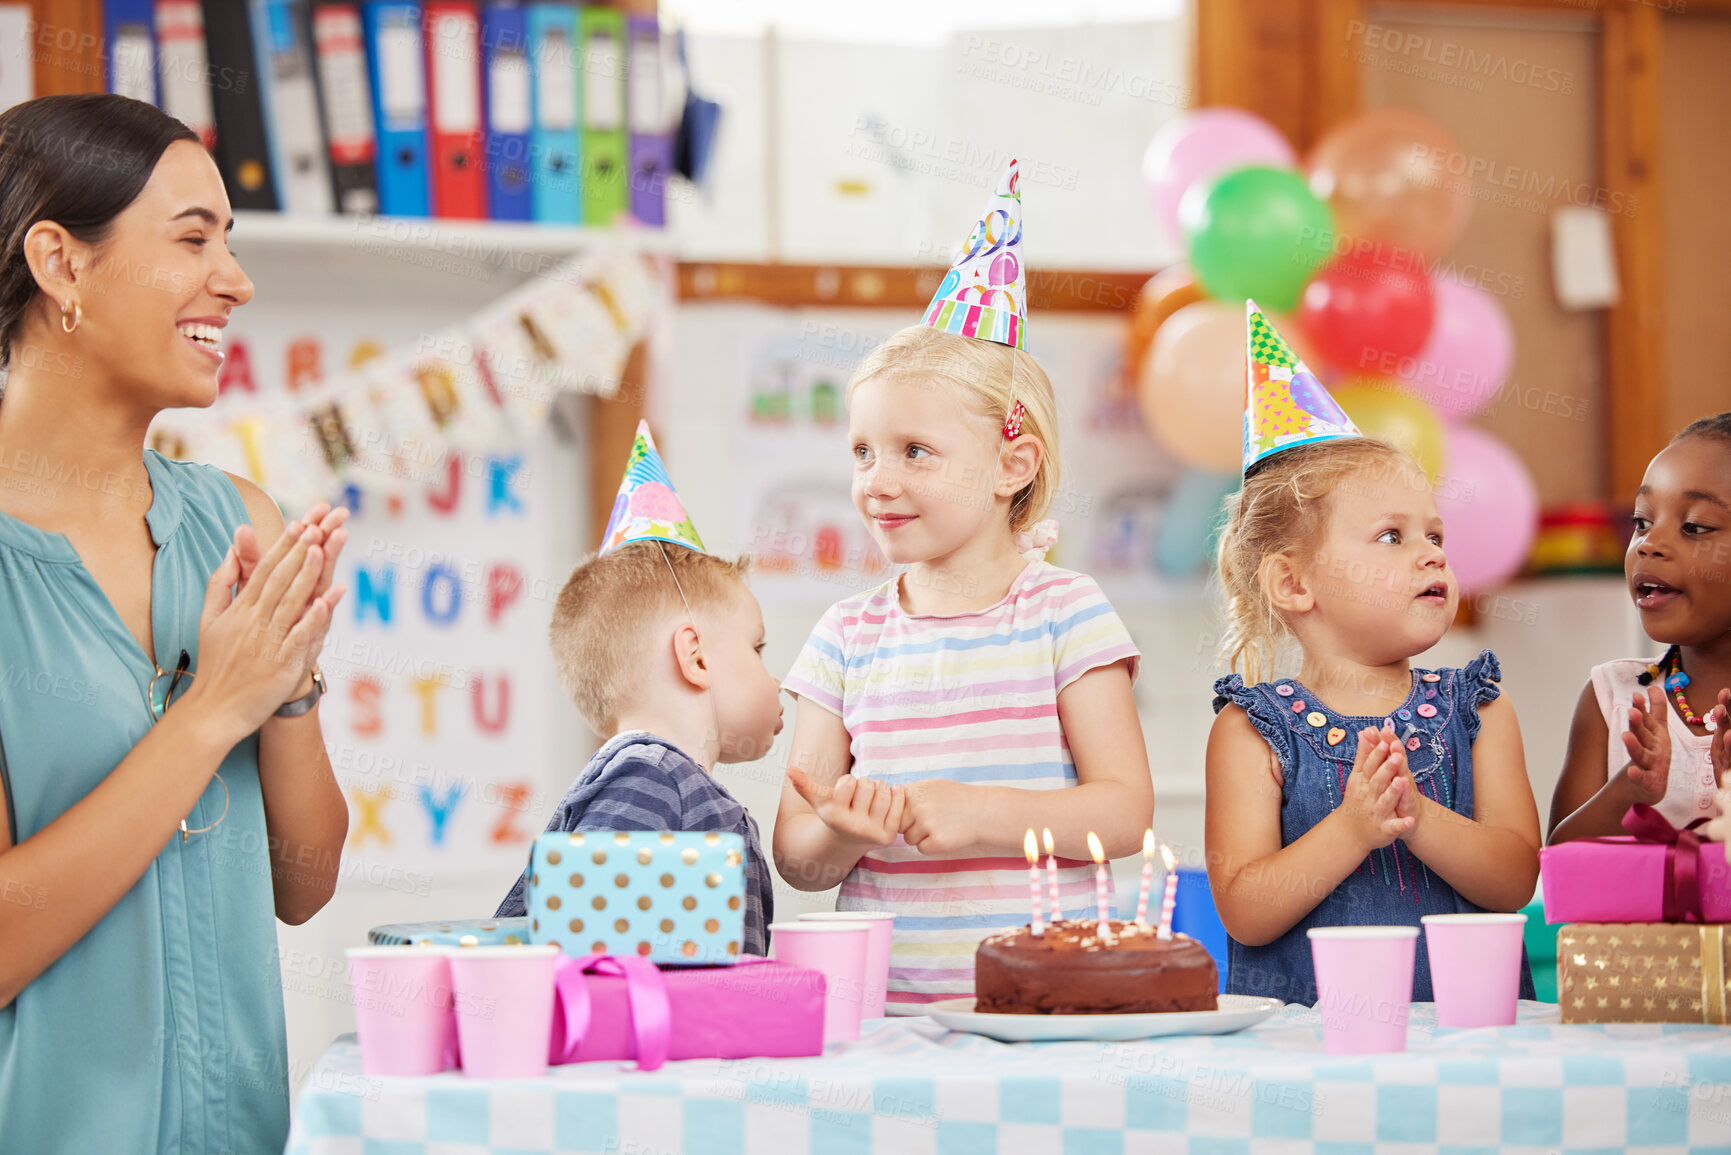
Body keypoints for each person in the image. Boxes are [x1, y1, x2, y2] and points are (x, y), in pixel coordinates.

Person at [0, 95, 350, 1153]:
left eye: (230, 243)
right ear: (60, 262)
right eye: (193, 238)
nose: (234, 281)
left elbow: (303, 882)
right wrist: (211, 712)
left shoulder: (237, 519)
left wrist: (282, 687)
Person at [776, 162, 1153, 1012]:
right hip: (888, 1013)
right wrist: (842, 826)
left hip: (1049, 1004)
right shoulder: (843, 637)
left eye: (915, 450)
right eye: (863, 451)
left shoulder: (1066, 613)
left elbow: (1123, 817)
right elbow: (795, 856)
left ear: (1010, 465)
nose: (876, 479)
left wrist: (978, 813)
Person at [1204, 303, 1540, 1006]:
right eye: (1391, 535)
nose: (1429, 553)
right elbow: (1245, 907)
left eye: (1435, 536)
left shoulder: (1476, 707)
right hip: (1309, 1053)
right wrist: (1353, 827)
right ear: (1293, 582)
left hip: (1463, 1041)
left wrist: (1417, 816)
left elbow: (1515, 878)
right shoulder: (1250, 730)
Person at [495, 423, 780, 955]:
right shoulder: (649, 775)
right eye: (757, 649)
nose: (776, 678)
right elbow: (590, 953)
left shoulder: (664, 780)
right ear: (695, 657)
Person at [1549, 413, 1731, 843]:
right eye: (1642, 522)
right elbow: (1558, 863)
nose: (1648, 544)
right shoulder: (1612, 699)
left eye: (1694, 527)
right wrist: (1628, 791)